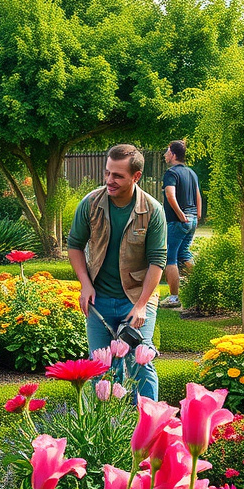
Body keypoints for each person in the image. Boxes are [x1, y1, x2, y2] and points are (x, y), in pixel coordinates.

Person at [67, 143, 167, 400]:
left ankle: (149, 429)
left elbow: (158, 260)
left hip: (136, 299)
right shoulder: (90, 203)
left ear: (136, 177)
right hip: (99, 300)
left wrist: (142, 304)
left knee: (140, 364)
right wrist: (85, 284)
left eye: (118, 175)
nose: (109, 180)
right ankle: (108, 431)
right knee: (101, 371)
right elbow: (75, 245)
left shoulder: (153, 210)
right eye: (108, 172)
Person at [160, 139, 202, 309]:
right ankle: (202, 287)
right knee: (184, 254)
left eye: (167, 152)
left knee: (170, 257)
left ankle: (173, 298)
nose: (165, 155)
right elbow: (198, 195)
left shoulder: (171, 173)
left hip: (178, 221)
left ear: (173, 154)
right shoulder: (192, 173)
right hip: (191, 219)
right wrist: (197, 216)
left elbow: (170, 195)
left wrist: (180, 215)